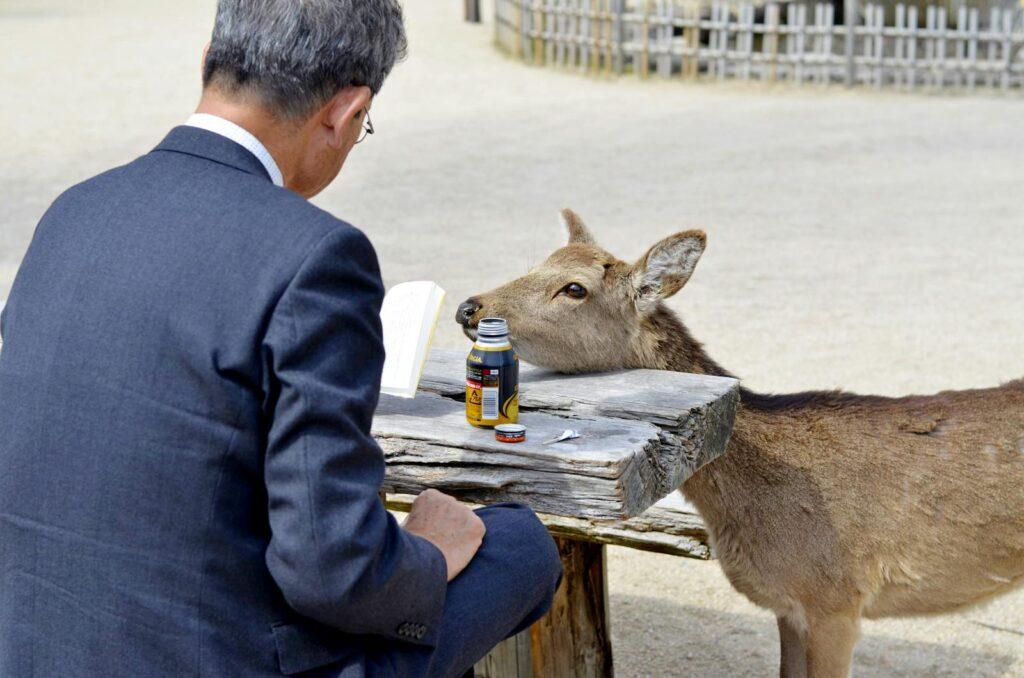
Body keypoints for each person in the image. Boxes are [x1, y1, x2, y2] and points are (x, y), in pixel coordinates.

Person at [0, 1, 562, 676]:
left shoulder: (74, 210)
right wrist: (430, 553)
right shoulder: (313, 255)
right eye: (364, 127)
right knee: (518, 546)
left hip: (36, 644)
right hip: (217, 653)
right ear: (346, 112)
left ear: (209, 58)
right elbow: (331, 569)